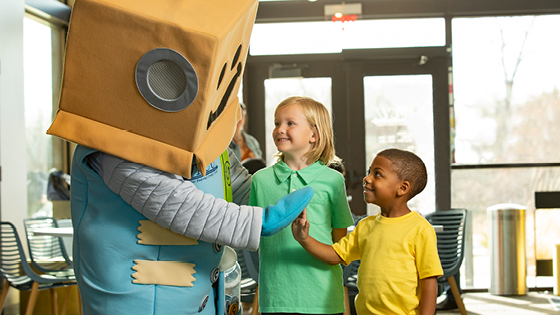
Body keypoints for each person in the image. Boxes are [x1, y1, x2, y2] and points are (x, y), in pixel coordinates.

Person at [292, 148, 443, 315]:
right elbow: (336, 255)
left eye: (377, 174)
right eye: (368, 172)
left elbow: (429, 281)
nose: (366, 178)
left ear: (402, 188)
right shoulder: (365, 226)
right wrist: (304, 239)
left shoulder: (420, 229)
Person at [249, 96, 354, 315]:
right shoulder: (260, 180)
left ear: (314, 135)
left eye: (290, 123)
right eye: (277, 123)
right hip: (276, 297)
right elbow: (255, 234)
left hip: (322, 296)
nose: (280, 129)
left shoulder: (333, 181)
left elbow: (339, 242)